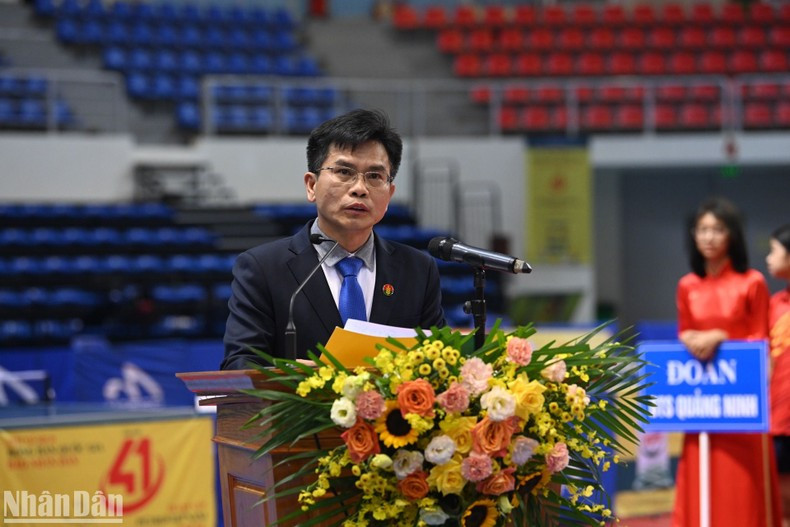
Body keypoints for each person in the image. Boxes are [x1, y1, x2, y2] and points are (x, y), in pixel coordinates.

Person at [221, 109, 446, 370]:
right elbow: (239, 365)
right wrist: (294, 377)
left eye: (374, 176)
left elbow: (435, 362)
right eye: (344, 171)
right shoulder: (263, 268)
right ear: (311, 186)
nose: (359, 188)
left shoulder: (417, 269)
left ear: (390, 193)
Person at [671, 196, 781, 527]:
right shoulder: (687, 286)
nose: (709, 237)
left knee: (743, 492)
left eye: (717, 229)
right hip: (702, 406)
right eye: (702, 230)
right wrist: (688, 338)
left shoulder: (753, 282)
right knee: (701, 480)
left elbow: (762, 344)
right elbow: (685, 334)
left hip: (742, 408)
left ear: (731, 234)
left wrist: (719, 335)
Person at [767, 223, 790, 526]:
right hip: (779, 418)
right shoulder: (773, 304)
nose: (769, 258)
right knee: (781, 499)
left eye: (773, 251)